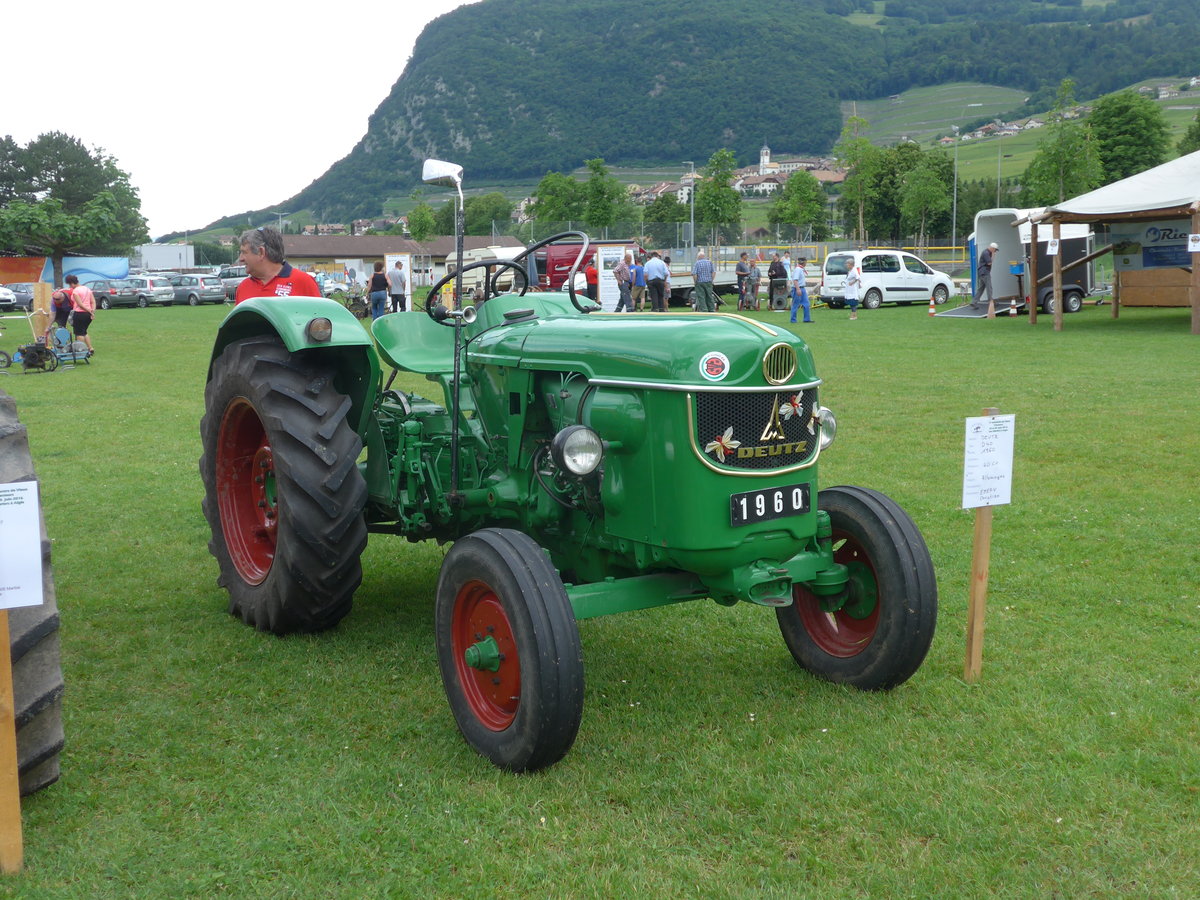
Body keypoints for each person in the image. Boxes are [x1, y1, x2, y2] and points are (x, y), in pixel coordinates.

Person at [235, 226, 321, 303]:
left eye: (244, 252)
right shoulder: (243, 287)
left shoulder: (304, 282)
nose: (241, 259)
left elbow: (320, 319)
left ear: (261, 252)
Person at [64, 275, 96, 355]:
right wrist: (92, 311)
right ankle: (90, 348)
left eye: (69, 284)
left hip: (79, 313)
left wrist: (90, 311)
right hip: (88, 315)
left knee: (78, 333)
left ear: (72, 283)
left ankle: (81, 350)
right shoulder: (87, 289)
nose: (70, 286)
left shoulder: (76, 291)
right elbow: (93, 302)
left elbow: (80, 304)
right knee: (84, 332)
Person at [973, 242, 998, 308]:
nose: (995, 251)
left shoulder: (985, 252)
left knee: (981, 288)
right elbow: (989, 263)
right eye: (995, 250)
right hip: (985, 272)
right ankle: (991, 302)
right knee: (989, 287)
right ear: (992, 248)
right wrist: (993, 255)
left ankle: (974, 302)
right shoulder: (986, 253)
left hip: (982, 272)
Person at [790, 257, 812, 324]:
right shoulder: (798, 269)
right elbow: (795, 280)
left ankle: (807, 319)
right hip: (798, 288)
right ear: (804, 262)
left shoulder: (801, 269)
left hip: (802, 288)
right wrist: (798, 289)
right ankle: (793, 320)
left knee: (806, 304)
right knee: (795, 305)